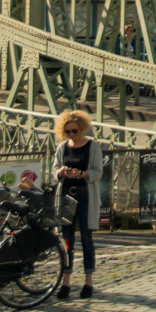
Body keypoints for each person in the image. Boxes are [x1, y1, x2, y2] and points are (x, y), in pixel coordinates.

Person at [52, 108, 108, 298]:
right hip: (67, 197)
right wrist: (61, 173)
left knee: (86, 239)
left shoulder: (92, 146)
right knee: (67, 241)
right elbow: (54, 169)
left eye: (74, 131)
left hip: (85, 196)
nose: (71, 135)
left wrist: (81, 174)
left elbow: (97, 172)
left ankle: (88, 282)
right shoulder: (62, 147)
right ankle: (66, 283)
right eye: (68, 132)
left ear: (82, 129)